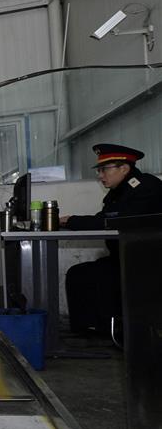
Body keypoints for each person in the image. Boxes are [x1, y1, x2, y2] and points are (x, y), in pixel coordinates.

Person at [62, 143, 162, 334]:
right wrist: (71, 221)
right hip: (126, 258)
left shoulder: (146, 187)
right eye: (99, 170)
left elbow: (116, 220)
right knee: (79, 273)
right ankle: (90, 329)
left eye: (104, 169)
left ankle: (113, 330)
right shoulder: (117, 192)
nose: (100, 175)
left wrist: (72, 221)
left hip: (147, 263)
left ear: (124, 168)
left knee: (102, 276)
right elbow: (105, 219)